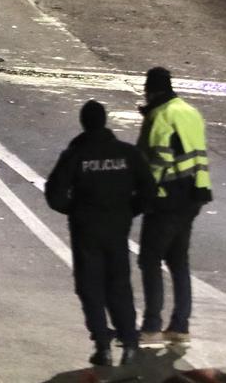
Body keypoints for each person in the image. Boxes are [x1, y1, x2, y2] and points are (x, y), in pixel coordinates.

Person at [45, 100, 156, 368]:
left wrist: (76, 210)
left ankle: (103, 346)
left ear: (84, 123)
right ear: (105, 121)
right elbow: (149, 189)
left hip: (87, 231)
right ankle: (129, 344)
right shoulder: (127, 153)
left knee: (90, 287)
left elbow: (54, 194)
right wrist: (130, 210)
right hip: (117, 228)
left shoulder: (76, 155)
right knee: (119, 285)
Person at [136, 67, 211, 345]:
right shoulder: (190, 112)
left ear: (151, 90)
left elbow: (155, 161)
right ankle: (180, 325)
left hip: (165, 197)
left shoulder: (160, 116)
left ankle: (152, 325)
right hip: (194, 194)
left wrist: (143, 196)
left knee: (150, 260)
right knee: (179, 261)